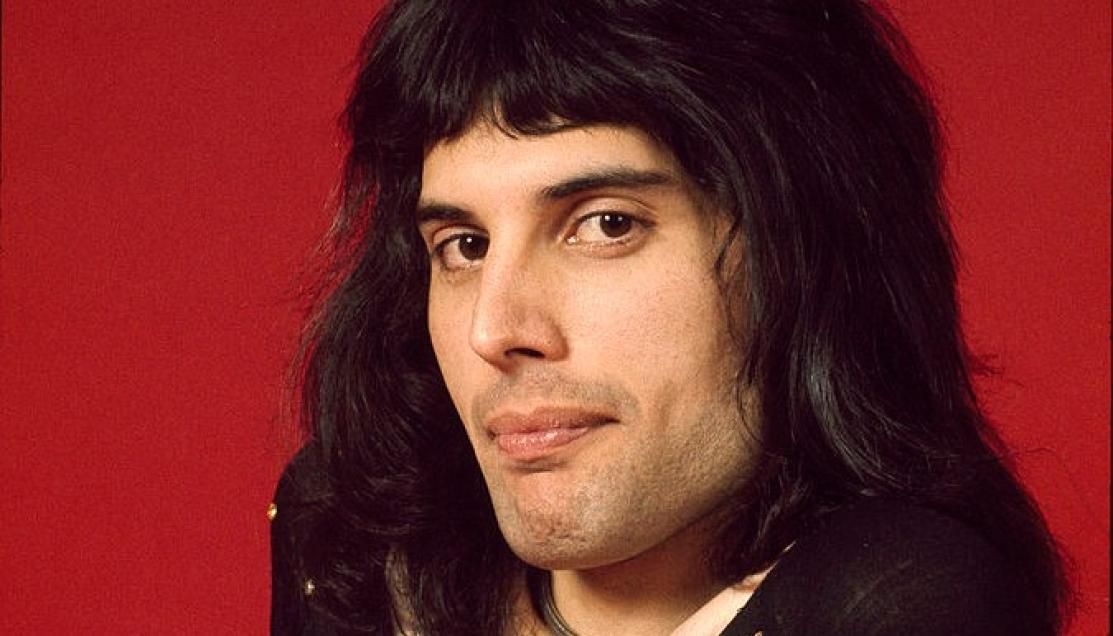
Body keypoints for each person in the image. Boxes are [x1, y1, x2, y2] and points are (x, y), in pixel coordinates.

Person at [269, 0, 1071, 633]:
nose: (495, 329)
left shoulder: (896, 598)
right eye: (464, 246)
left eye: (607, 224)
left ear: (803, 255)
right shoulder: (355, 535)